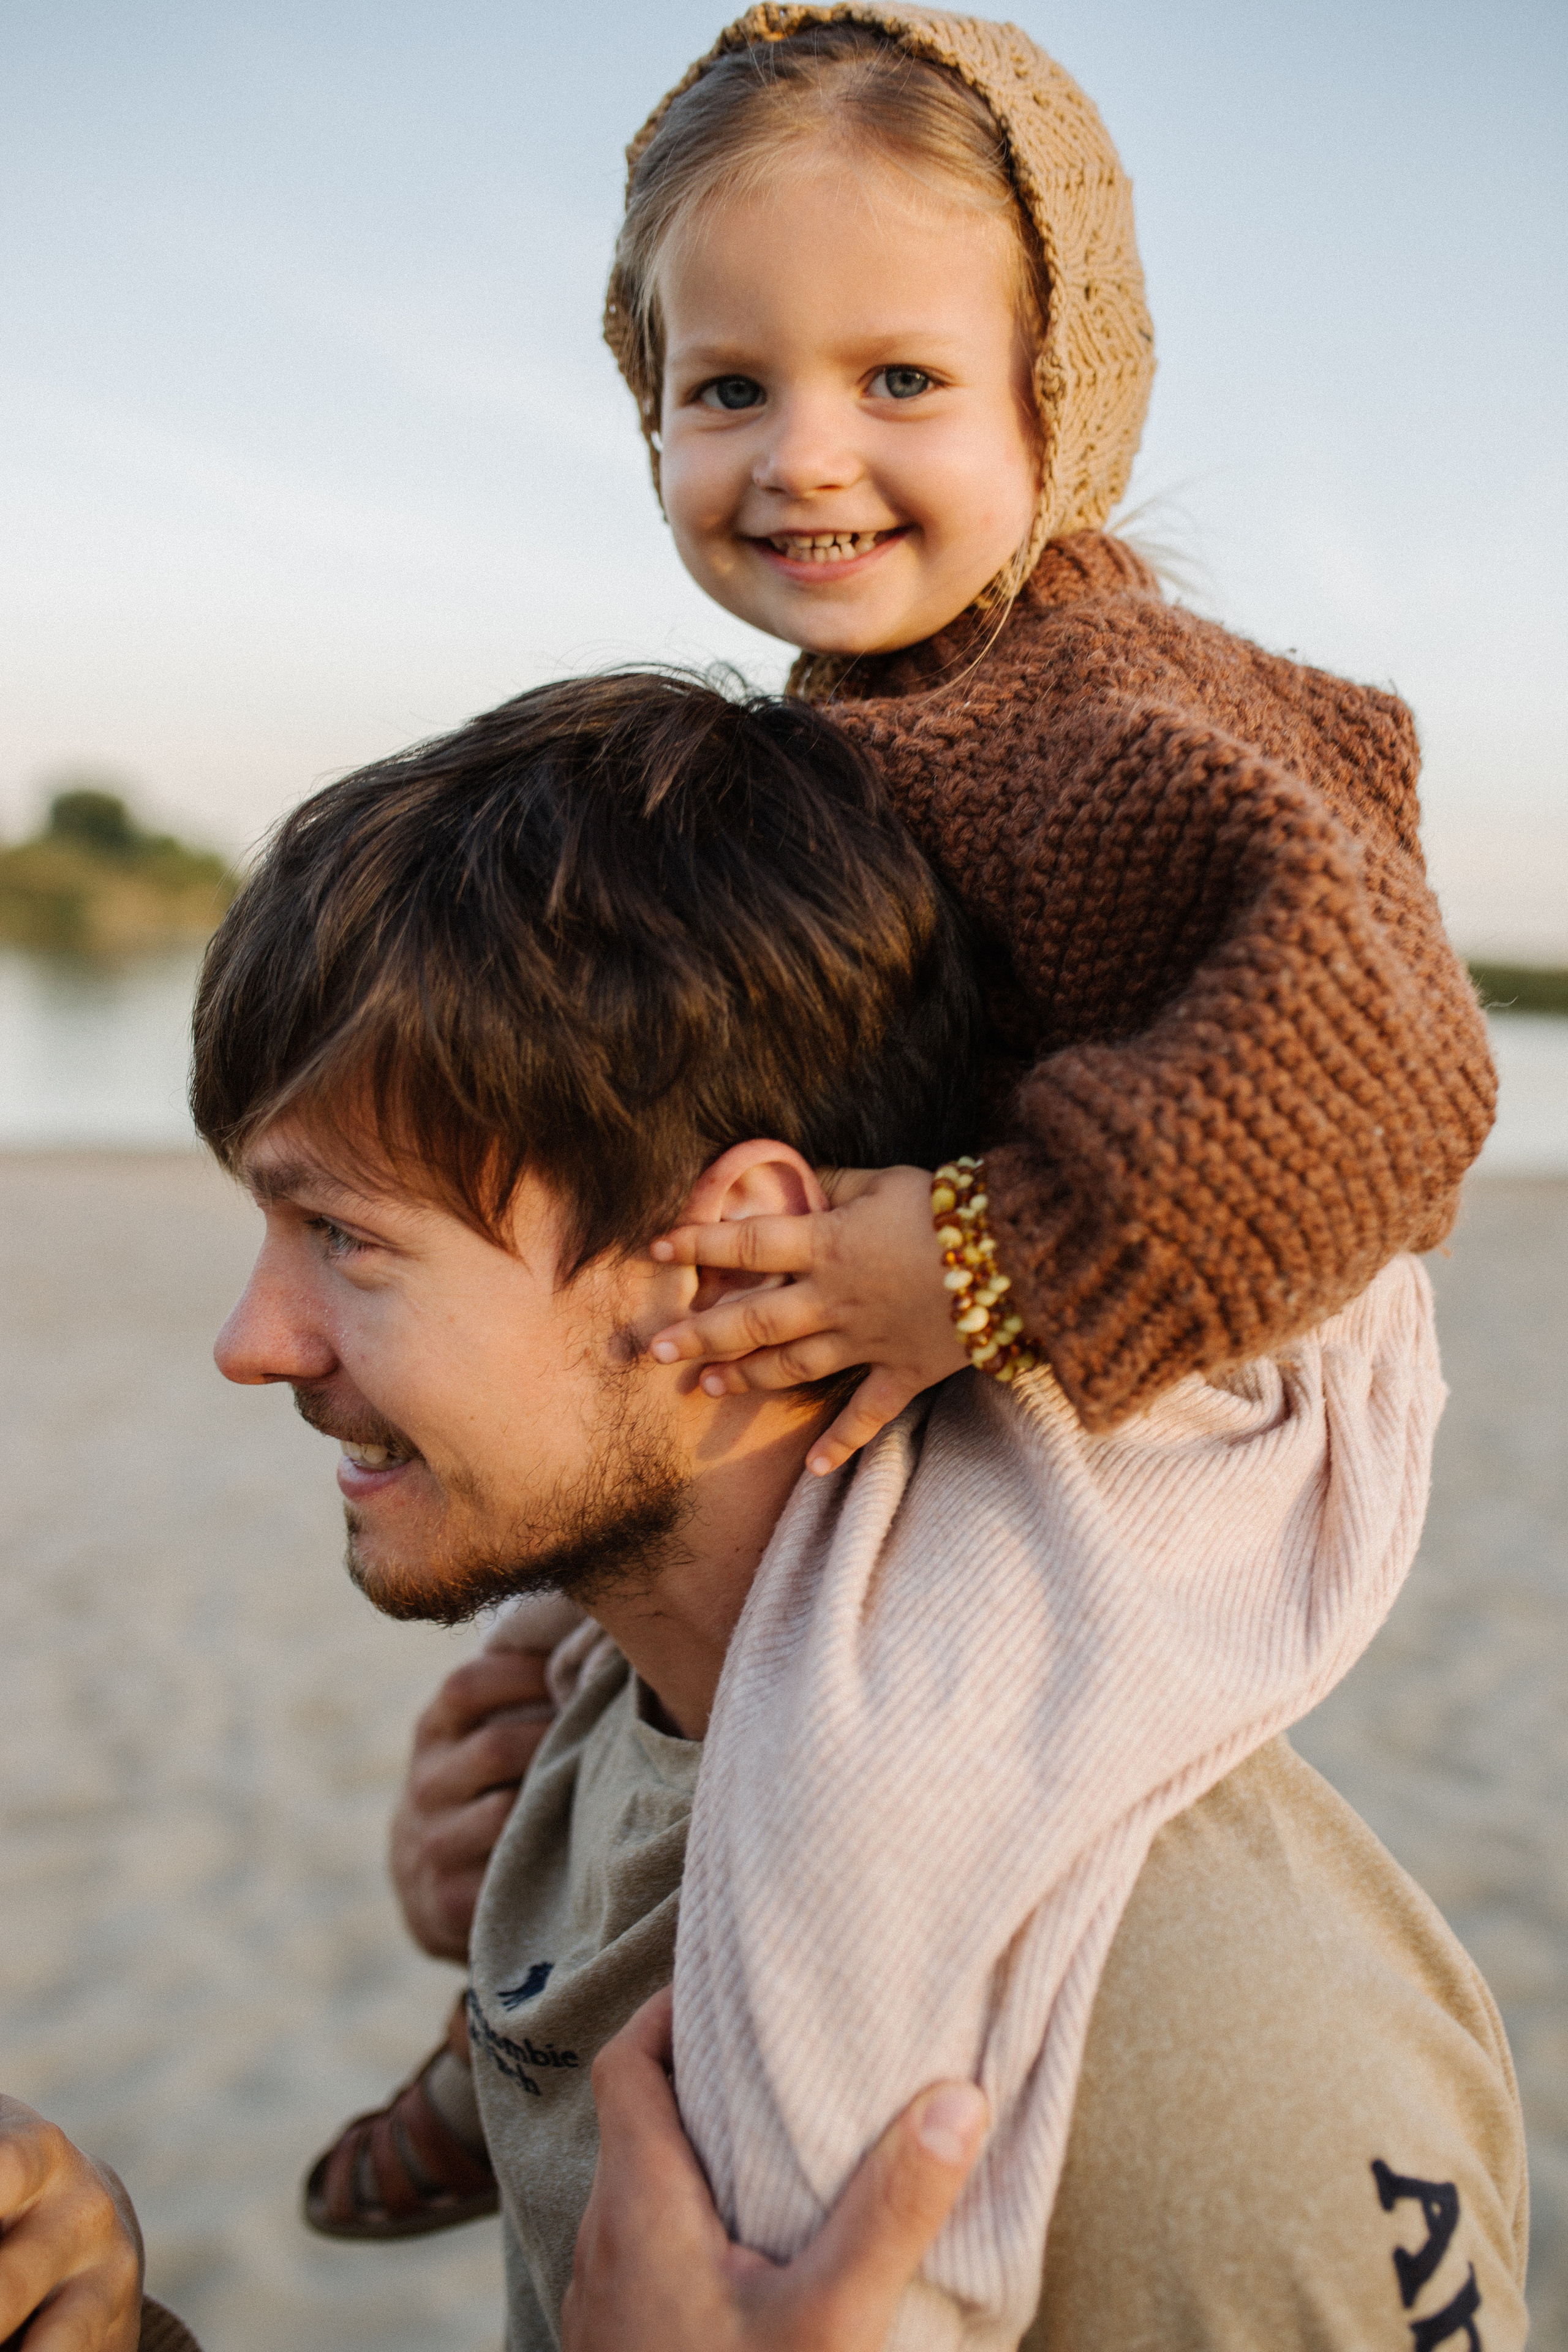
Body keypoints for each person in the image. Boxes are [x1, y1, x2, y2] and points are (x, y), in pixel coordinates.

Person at [308, 0, 1496, 2297]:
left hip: (1178, 1347)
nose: (804, 459)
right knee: (569, 1672)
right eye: (726, 389)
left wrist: (981, 1255)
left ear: (1068, 400)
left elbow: (1390, 1062)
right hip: (994, 1302)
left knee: (869, 1792)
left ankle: (833, 2252)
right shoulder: (876, 703)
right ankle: (509, 2050)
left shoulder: (1100, 714)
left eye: (902, 380)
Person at [184, 671, 1523, 2348]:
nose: (251, 1342)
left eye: (345, 1238)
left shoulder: (1203, 2068)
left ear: (726, 1254)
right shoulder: (589, 1724)